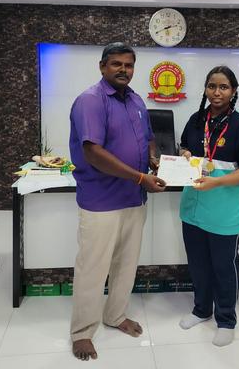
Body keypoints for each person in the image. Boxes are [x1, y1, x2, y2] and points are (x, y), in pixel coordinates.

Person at [68, 42, 166, 361]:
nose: (124, 70)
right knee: (93, 269)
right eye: (116, 64)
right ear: (102, 66)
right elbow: (93, 153)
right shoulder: (90, 100)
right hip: (101, 200)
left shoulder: (136, 100)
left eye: (129, 65)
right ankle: (82, 332)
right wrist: (140, 177)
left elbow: (149, 138)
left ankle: (115, 315)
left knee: (126, 263)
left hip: (133, 199)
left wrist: (153, 159)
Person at [177, 65, 239, 347]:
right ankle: (201, 310)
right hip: (193, 207)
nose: (217, 92)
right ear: (205, 89)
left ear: (233, 91)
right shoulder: (196, 119)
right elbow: (183, 147)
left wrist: (217, 182)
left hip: (224, 212)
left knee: (224, 267)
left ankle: (226, 320)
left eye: (223, 87)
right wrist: (184, 153)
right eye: (212, 86)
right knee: (198, 265)